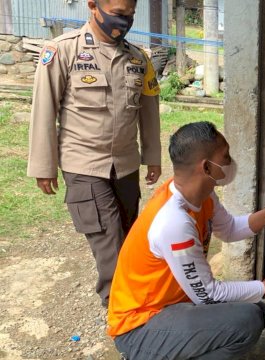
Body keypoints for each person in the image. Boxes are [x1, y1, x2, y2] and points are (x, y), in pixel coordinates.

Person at [107, 121, 265, 360]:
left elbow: (230, 229)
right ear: (206, 167)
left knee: (259, 312)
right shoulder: (174, 222)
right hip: (139, 326)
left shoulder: (202, 194)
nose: (230, 162)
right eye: (225, 156)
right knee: (247, 321)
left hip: (173, 306)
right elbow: (208, 294)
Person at [27, 0, 161, 307]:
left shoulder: (139, 58)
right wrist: (43, 165)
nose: (124, 20)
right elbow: (44, 108)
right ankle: (121, 311)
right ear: (92, 6)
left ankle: (132, 303)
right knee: (110, 244)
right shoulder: (63, 51)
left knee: (128, 238)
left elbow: (149, 109)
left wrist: (152, 156)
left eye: (130, 14)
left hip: (125, 165)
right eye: (117, 12)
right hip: (84, 164)